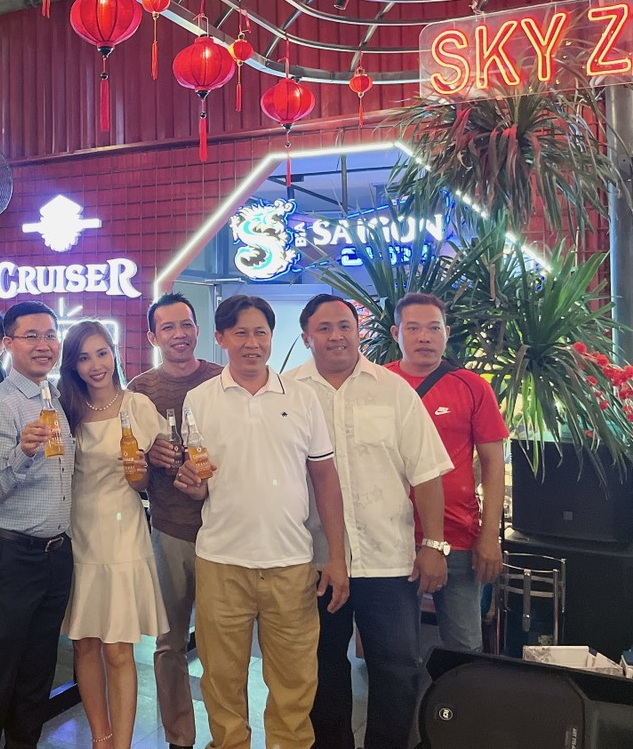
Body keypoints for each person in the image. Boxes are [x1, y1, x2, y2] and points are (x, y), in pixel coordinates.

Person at [178, 294, 349, 749]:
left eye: (260, 333)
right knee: (221, 680)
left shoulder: (302, 397)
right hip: (221, 561)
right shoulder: (198, 399)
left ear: (272, 337)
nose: (251, 343)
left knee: (295, 682)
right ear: (221, 338)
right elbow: (201, 480)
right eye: (240, 333)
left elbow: (325, 480)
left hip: (290, 562)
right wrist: (192, 484)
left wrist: (336, 556)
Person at [287, 294, 453, 749]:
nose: (336, 335)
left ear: (358, 331)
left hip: (388, 561)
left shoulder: (392, 389)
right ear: (306, 337)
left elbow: (426, 472)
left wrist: (433, 545)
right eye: (324, 328)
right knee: (322, 668)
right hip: (316, 559)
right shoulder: (287, 393)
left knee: (397, 668)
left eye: (345, 325)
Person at [0, 301, 76, 749]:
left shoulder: (54, 398)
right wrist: (22, 453)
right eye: (31, 336)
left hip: (56, 555)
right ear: (8, 343)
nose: (44, 345)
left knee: (38, 673)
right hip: (10, 557)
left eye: (50, 335)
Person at [58, 321, 167, 749]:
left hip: (122, 532)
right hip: (76, 531)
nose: (95, 365)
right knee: (84, 644)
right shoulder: (65, 409)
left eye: (101, 353)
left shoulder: (137, 406)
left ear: (114, 353)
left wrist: (139, 473)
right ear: (73, 365)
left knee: (119, 650)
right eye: (84, 357)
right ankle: (100, 738)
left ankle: (120, 743)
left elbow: (148, 480)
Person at [386, 292, 508, 652]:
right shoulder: (378, 384)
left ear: (447, 332)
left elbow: (493, 464)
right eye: (413, 328)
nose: (424, 337)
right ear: (396, 333)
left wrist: (489, 536)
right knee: (395, 651)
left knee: (464, 649)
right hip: (391, 539)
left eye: (433, 328)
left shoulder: (473, 386)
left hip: (458, 538)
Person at [127, 292, 222, 749]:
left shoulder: (222, 380)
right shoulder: (139, 390)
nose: (179, 335)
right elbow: (130, 474)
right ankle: (179, 737)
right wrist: (148, 457)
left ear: (198, 329)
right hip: (168, 530)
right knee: (169, 644)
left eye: (186, 325)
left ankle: (227, 735)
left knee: (223, 645)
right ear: (153, 336)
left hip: (224, 532)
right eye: (168, 327)